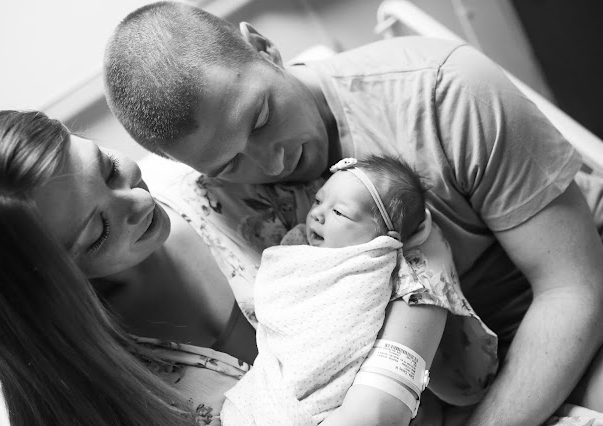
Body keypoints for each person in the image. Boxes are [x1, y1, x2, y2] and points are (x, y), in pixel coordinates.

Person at [103, 1, 603, 423]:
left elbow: (574, 291)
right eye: (230, 163)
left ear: (263, 47)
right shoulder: (216, 209)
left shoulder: (443, 91)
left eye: (261, 119)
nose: (272, 162)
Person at [0, 110, 468, 425]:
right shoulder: (89, 401)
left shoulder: (217, 190)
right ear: (49, 287)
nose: (140, 201)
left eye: (109, 168)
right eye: (98, 231)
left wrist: (383, 398)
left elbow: (409, 246)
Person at [221, 154, 497, 425]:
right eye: (318, 201)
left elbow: (341, 336)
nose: (317, 214)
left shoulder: (373, 270)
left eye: (339, 212)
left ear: (383, 240)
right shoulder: (300, 248)